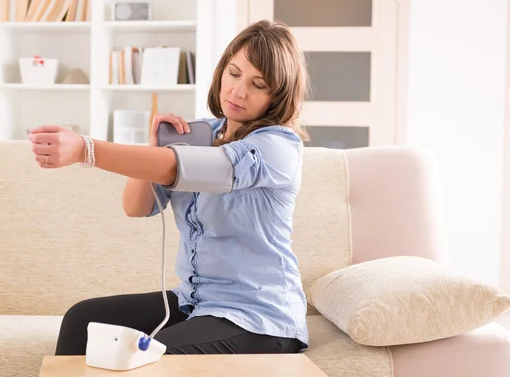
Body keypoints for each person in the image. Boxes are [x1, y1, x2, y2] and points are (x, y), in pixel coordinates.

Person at [28, 19, 310, 355]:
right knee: (82, 320)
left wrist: (85, 149)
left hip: (257, 317)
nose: (238, 91)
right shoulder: (202, 133)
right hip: (194, 302)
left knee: (152, 356)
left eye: (258, 84)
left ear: (277, 95)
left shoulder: (278, 147)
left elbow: (182, 167)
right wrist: (154, 145)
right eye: (234, 74)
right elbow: (136, 207)